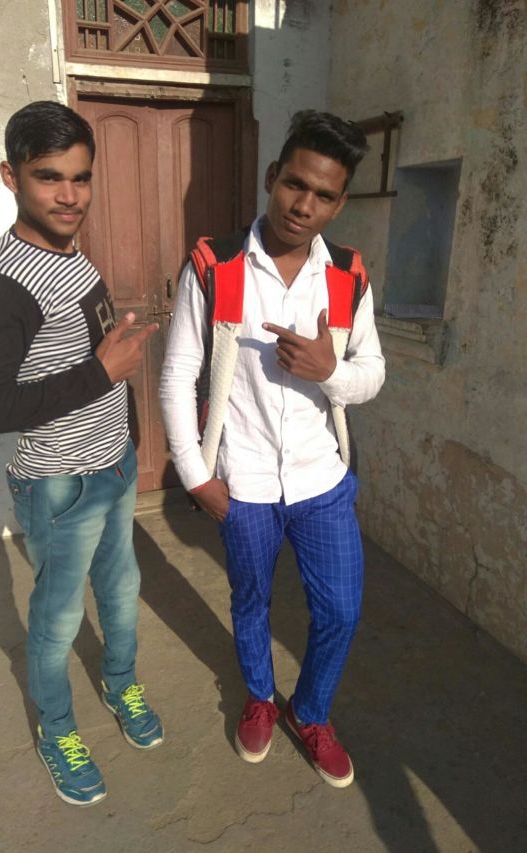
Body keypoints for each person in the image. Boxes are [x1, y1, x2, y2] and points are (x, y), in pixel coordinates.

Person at [159, 110, 385, 788]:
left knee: (340, 609)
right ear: (271, 177)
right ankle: (260, 697)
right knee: (251, 599)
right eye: (295, 184)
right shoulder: (216, 265)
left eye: (323, 195)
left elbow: (372, 372)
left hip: (322, 479)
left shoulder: (346, 276)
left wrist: (330, 371)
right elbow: (177, 374)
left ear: (339, 203)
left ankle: (309, 712)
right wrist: (196, 476)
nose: (303, 205)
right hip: (245, 481)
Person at [0, 100, 162, 807]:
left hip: (111, 466)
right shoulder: (1, 284)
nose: (70, 195)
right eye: (49, 177)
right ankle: (57, 730)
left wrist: (126, 434)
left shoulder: (71, 250)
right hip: (58, 484)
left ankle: (120, 682)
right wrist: (101, 374)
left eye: (81, 178)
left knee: (122, 591)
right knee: (57, 621)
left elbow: (90, 351)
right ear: (10, 176)